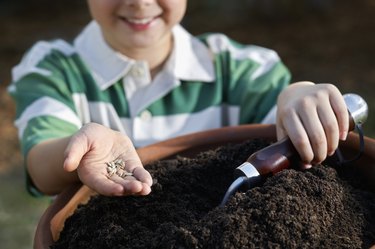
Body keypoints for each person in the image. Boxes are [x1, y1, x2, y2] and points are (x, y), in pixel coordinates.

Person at [8, 0, 349, 198]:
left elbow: (286, 127)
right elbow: (41, 165)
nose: (140, 3)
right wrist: (80, 148)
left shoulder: (241, 68)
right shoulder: (52, 69)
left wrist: (296, 94)